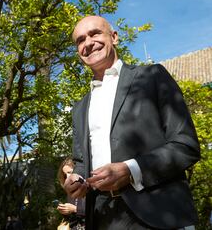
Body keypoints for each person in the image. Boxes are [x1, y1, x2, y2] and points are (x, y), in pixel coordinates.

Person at [63, 15, 200, 229]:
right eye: (80, 40)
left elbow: (186, 145)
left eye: (95, 33)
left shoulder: (152, 76)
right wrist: (76, 179)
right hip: (102, 216)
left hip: (156, 214)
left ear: (114, 37)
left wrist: (130, 170)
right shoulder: (80, 108)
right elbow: (81, 162)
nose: (88, 43)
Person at [56, 158, 85, 230]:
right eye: (65, 174)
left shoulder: (89, 187)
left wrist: (75, 209)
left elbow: (98, 211)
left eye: (69, 172)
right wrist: (64, 211)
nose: (67, 177)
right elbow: (71, 216)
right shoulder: (70, 191)